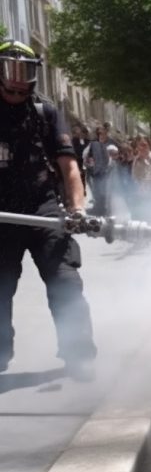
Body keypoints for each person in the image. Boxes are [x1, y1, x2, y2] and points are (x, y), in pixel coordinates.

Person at [0, 40, 96, 381]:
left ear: (33, 77)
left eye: (23, 72)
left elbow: (69, 168)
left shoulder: (46, 112)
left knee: (64, 279)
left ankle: (79, 353)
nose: (15, 80)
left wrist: (77, 209)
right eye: (8, 70)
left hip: (42, 207)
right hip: (1, 214)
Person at [83, 126, 114, 215]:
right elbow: (87, 157)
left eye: (102, 133)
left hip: (104, 173)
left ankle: (103, 210)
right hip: (98, 172)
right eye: (99, 133)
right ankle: (99, 209)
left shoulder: (107, 143)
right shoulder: (94, 144)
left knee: (104, 193)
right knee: (98, 192)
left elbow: (108, 159)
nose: (101, 135)